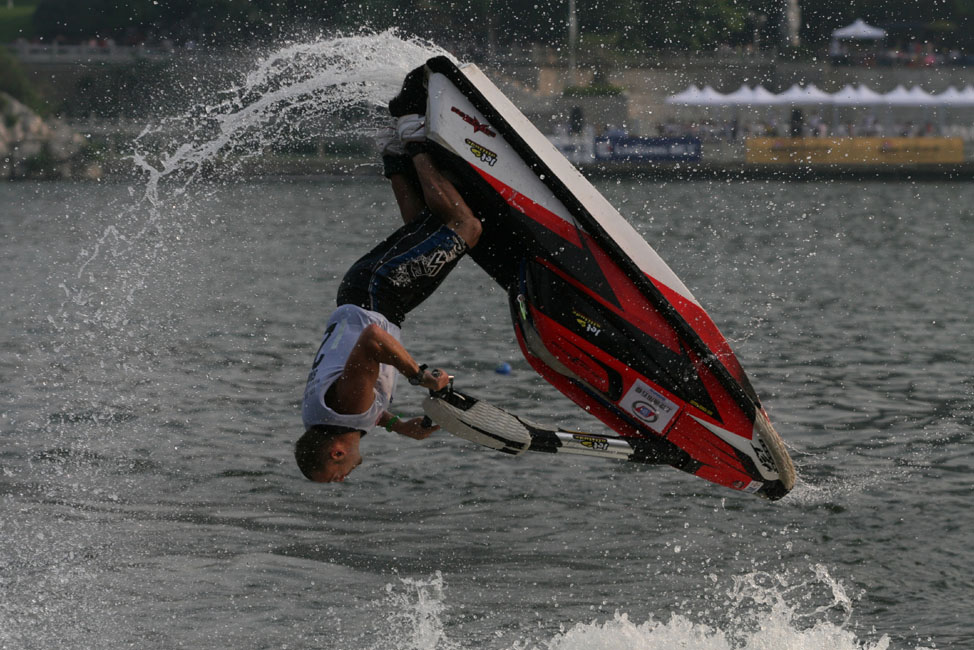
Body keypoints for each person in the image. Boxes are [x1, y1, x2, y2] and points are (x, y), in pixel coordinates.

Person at [294, 110, 483, 483]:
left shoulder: (345, 411)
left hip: (380, 292)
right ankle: (394, 147)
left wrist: (421, 376)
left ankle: (414, 142)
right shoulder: (320, 417)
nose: (344, 478)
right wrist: (397, 425)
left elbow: (373, 341)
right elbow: (361, 393)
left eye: (337, 476)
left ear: (337, 453)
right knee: (425, 228)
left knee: (466, 227)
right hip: (371, 294)